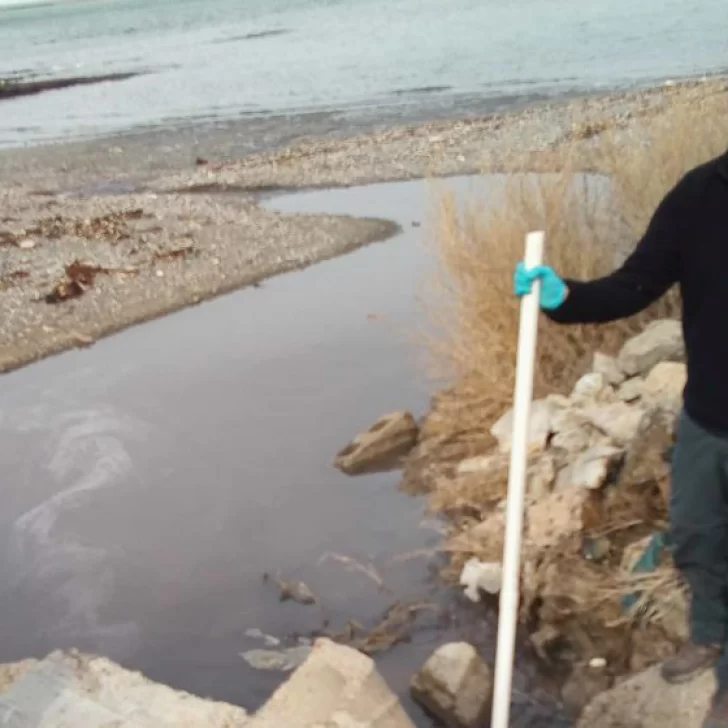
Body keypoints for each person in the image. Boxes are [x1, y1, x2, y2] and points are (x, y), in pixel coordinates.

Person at [513, 148, 728, 728]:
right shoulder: (699, 194)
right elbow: (634, 285)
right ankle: (709, 636)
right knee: (696, 534)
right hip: (708, 419)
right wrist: (565, 298)